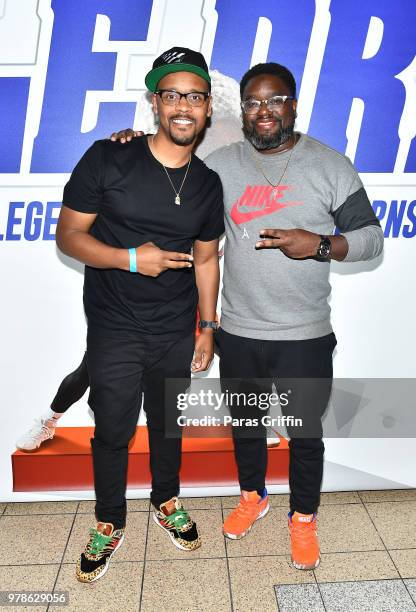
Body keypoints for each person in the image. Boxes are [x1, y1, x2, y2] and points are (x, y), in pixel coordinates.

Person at [110, 61, 383, 571]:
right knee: (247, 426)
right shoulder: (219, 163)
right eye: (254, 102)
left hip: (304, 335)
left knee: (304, 434)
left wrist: (320, 244)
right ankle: (252, 496)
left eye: (275, 100)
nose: (263, 111)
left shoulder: (330, 165)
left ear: (293, 104)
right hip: (237, 332)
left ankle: (303, 517)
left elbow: (371, 238)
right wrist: (127, 143)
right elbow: (165, 159)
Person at [54, 47, 224, 583]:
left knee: (168, 424)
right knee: (113, 430)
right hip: (114, 326)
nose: (183, 106)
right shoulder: (108, 158)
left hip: (177, 327)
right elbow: (69, 236)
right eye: (171, 94)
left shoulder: (207, 183)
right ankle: (109, 519)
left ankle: (166, 498)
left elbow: (207, 258)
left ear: (207, 109)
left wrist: (207, 326)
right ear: (155, 102)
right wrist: (132, 259)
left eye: (194, 96)